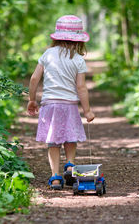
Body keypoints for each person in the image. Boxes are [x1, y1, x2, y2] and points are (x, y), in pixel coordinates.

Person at [27, 15, 95, 190]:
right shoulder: (78, 59)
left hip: (50, 105)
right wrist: (87, 111)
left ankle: (55, 177)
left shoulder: (47, 54)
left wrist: (32, 100)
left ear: (56, 36)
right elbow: (81, 88)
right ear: (78, 40)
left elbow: (34, 79)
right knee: (70, 137)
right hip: (70, 105)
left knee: (53, 142)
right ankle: (70, 165)